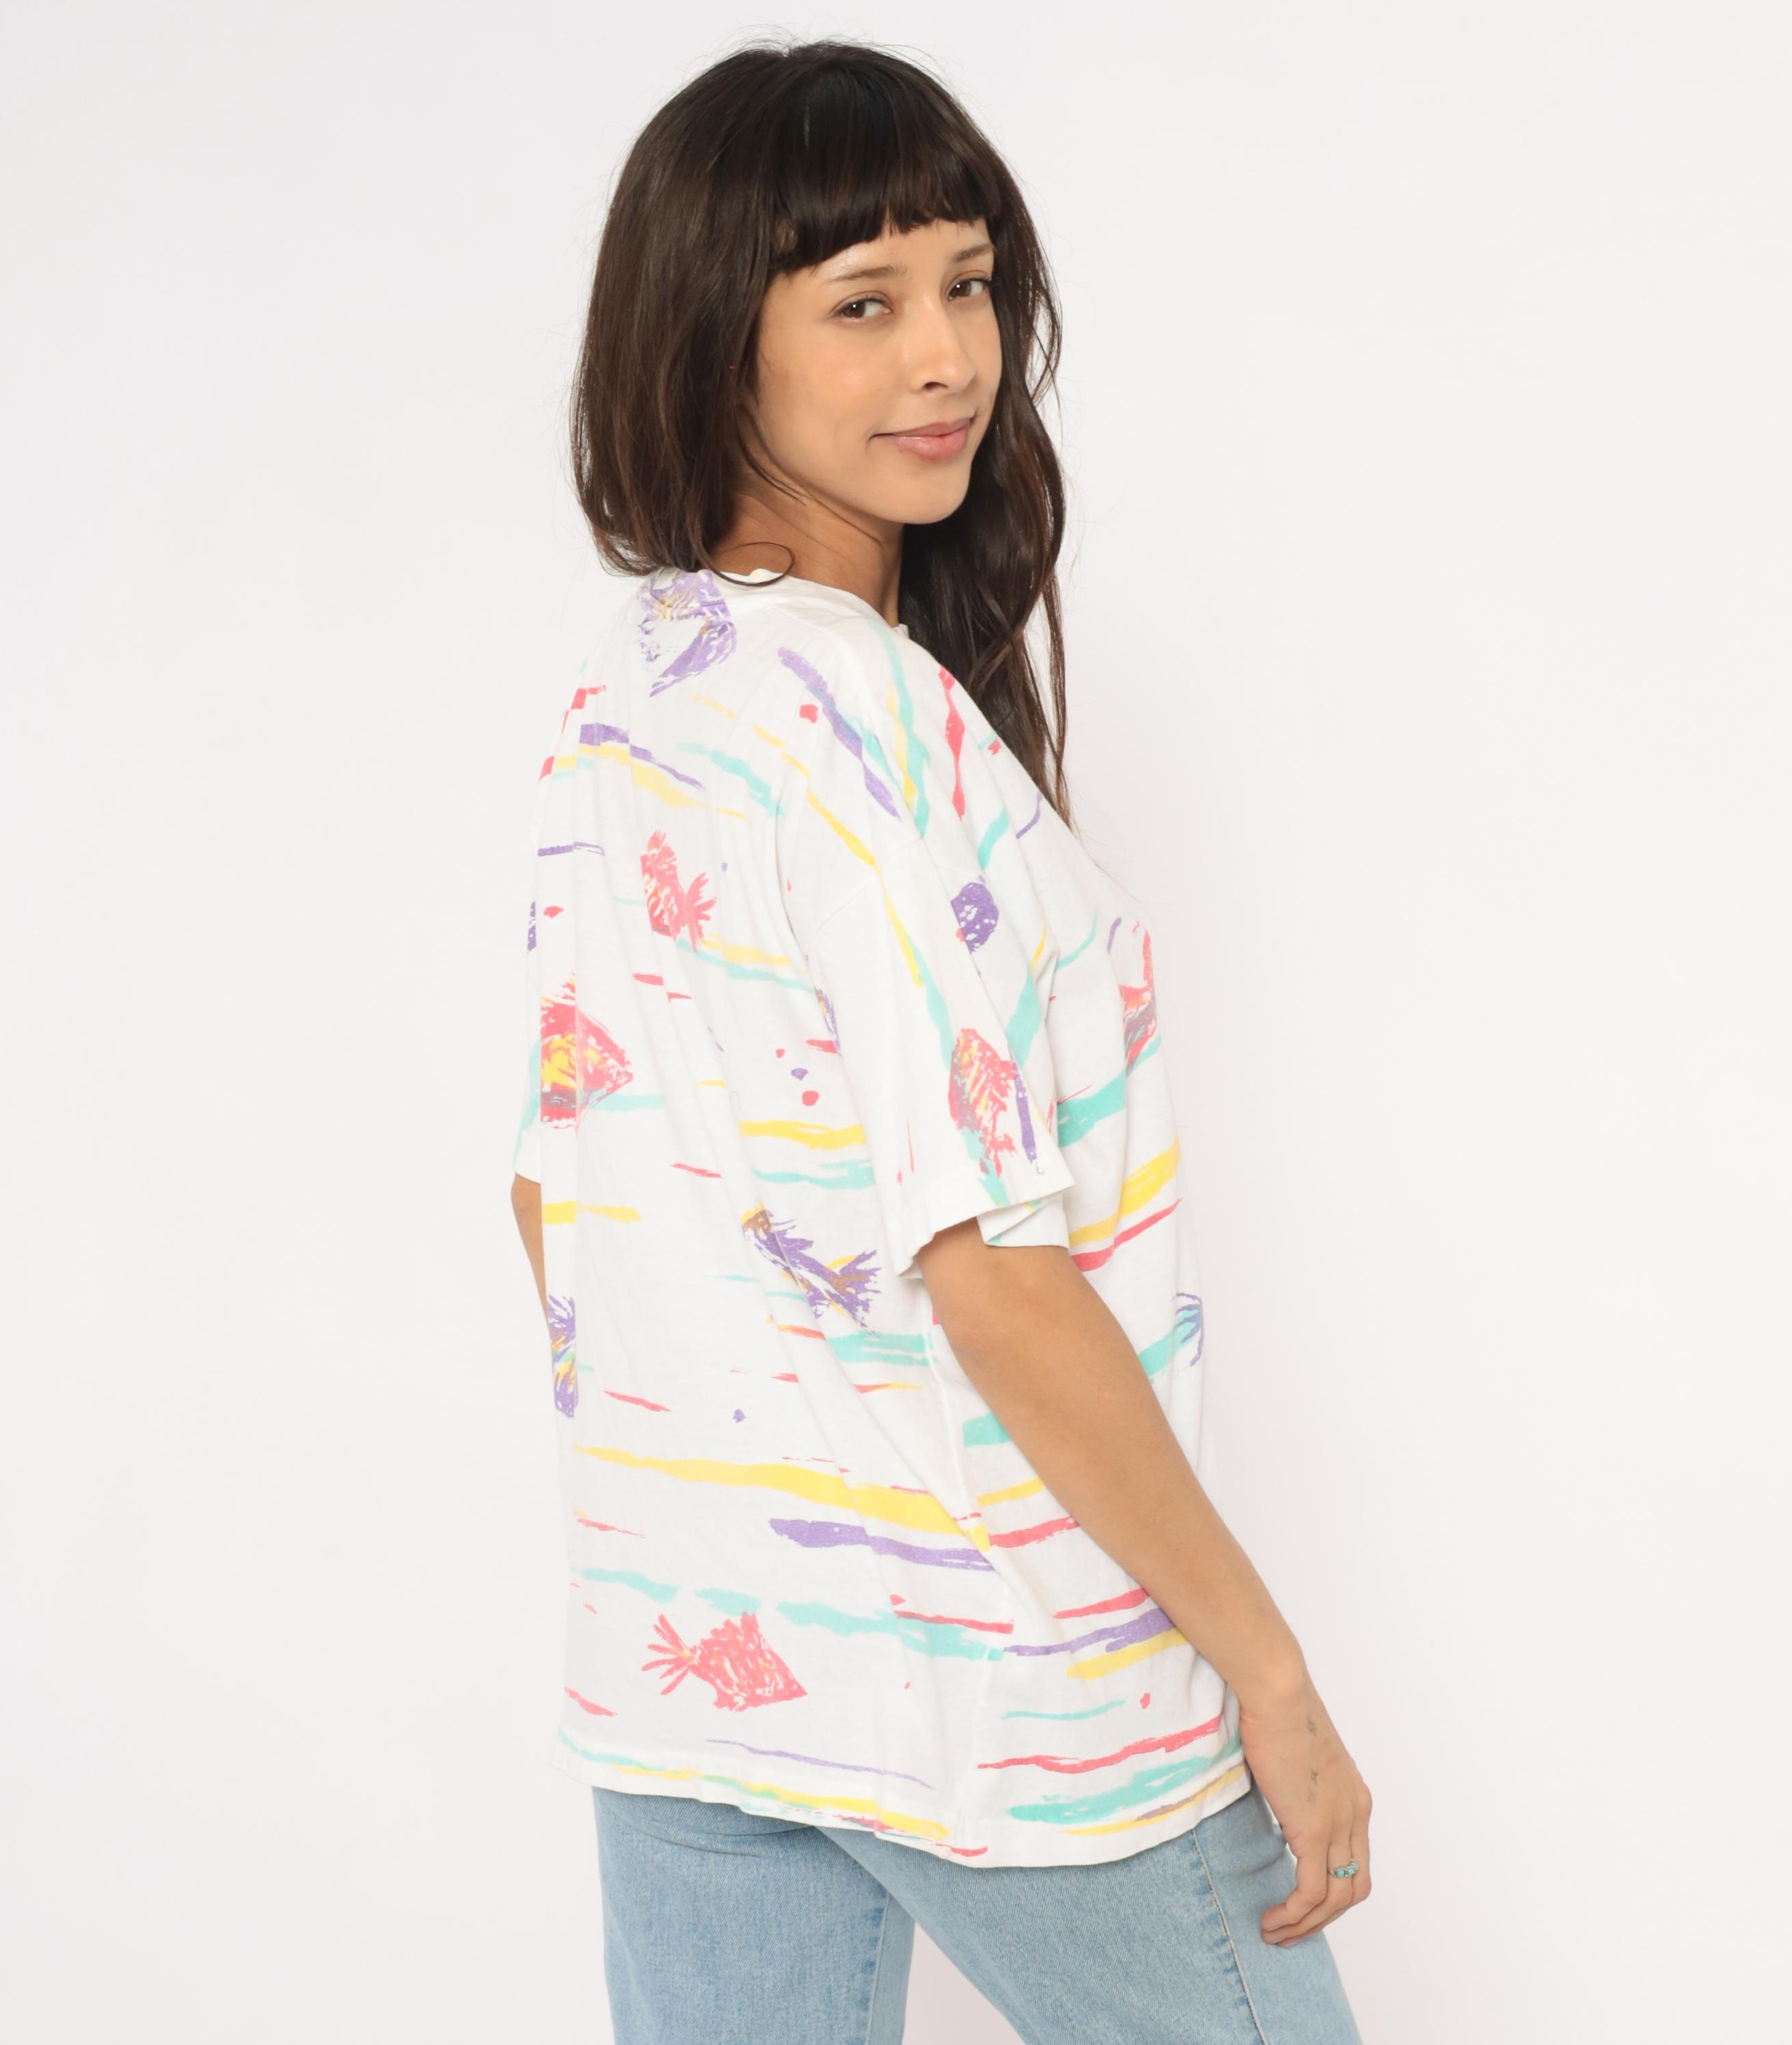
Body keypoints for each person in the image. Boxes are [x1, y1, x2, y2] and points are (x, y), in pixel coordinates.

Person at [509, 37, 1371, 2045]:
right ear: (711, 339)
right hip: (997, 1673)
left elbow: (554, 1196)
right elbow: (988, 1273)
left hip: (696, 1653)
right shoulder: (873, 725)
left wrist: (741, 1486)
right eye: (864, 302)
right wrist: (1268, 1673)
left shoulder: (636, 689)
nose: (945, 357)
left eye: (968, 284)